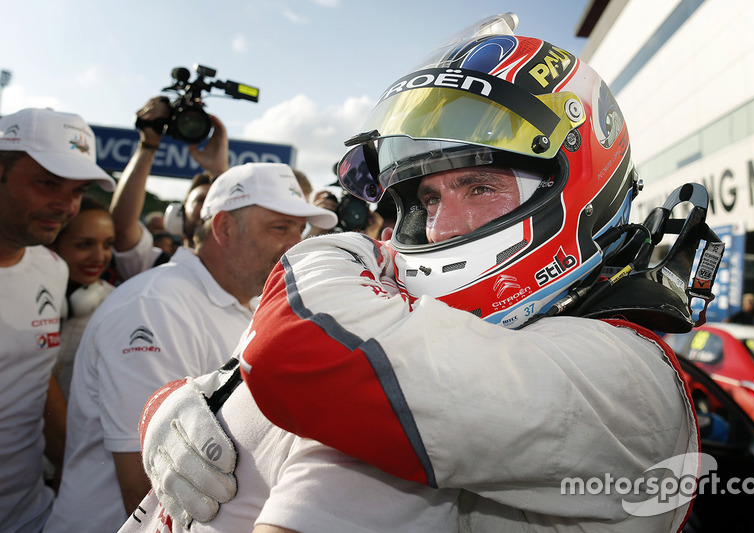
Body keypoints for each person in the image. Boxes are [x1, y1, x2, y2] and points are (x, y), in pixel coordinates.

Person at [131, 13, 703, 533]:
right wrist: (201, 395)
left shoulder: (624, 377)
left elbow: (305, 351)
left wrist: (335, 249)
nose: (440, 229)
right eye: (427, 199)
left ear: (574, 188)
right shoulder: (451, 345)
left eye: (480, 187)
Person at [44, 163, 336, 533]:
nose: (295, 244)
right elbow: (149, 478)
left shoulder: (248, 301)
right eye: (280, 228)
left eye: (300, 229)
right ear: (224, 228)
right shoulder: (155, 307)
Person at [0, 107, 115, 533]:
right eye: (47, 183)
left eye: (77, 189)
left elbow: (33, 372)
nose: (66, 205)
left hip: (33, 511)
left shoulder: (51, 267)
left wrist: (73, 467)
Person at [110, 97, 229, 281]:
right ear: (179, 214)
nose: (208, 208)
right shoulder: (155, 266)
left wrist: (220, 173)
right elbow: (123, 227)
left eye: (215, 200)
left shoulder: (242, 277)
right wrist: (148, 145)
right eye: (200, 200)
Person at [49, 195, 116, 400]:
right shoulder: (27, 294)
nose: (99, 257)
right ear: (54, 244)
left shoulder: (116, 304)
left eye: (107, 245)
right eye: (84, 245)